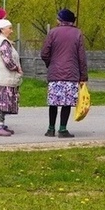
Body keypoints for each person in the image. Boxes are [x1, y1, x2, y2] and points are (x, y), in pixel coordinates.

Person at [40, 8, 88, 138]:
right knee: (66, 103)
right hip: (71, 74)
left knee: (53, 102)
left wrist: (51, 64)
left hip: (55, 73)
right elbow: (81, 57)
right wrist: (83, 76)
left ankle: (50, 129)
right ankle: (62, 129)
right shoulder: (77, 33)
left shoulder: (52, 32)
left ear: (60, 20)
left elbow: (44, 53)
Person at [0, 19, 22, 137]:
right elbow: (7, 60)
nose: (11, 31)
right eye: (9, 28)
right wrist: (16, 68)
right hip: (4, 77)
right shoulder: (3, 42)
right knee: (2, 102)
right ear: (2, 29)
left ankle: (0, 124)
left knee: (2, 101)